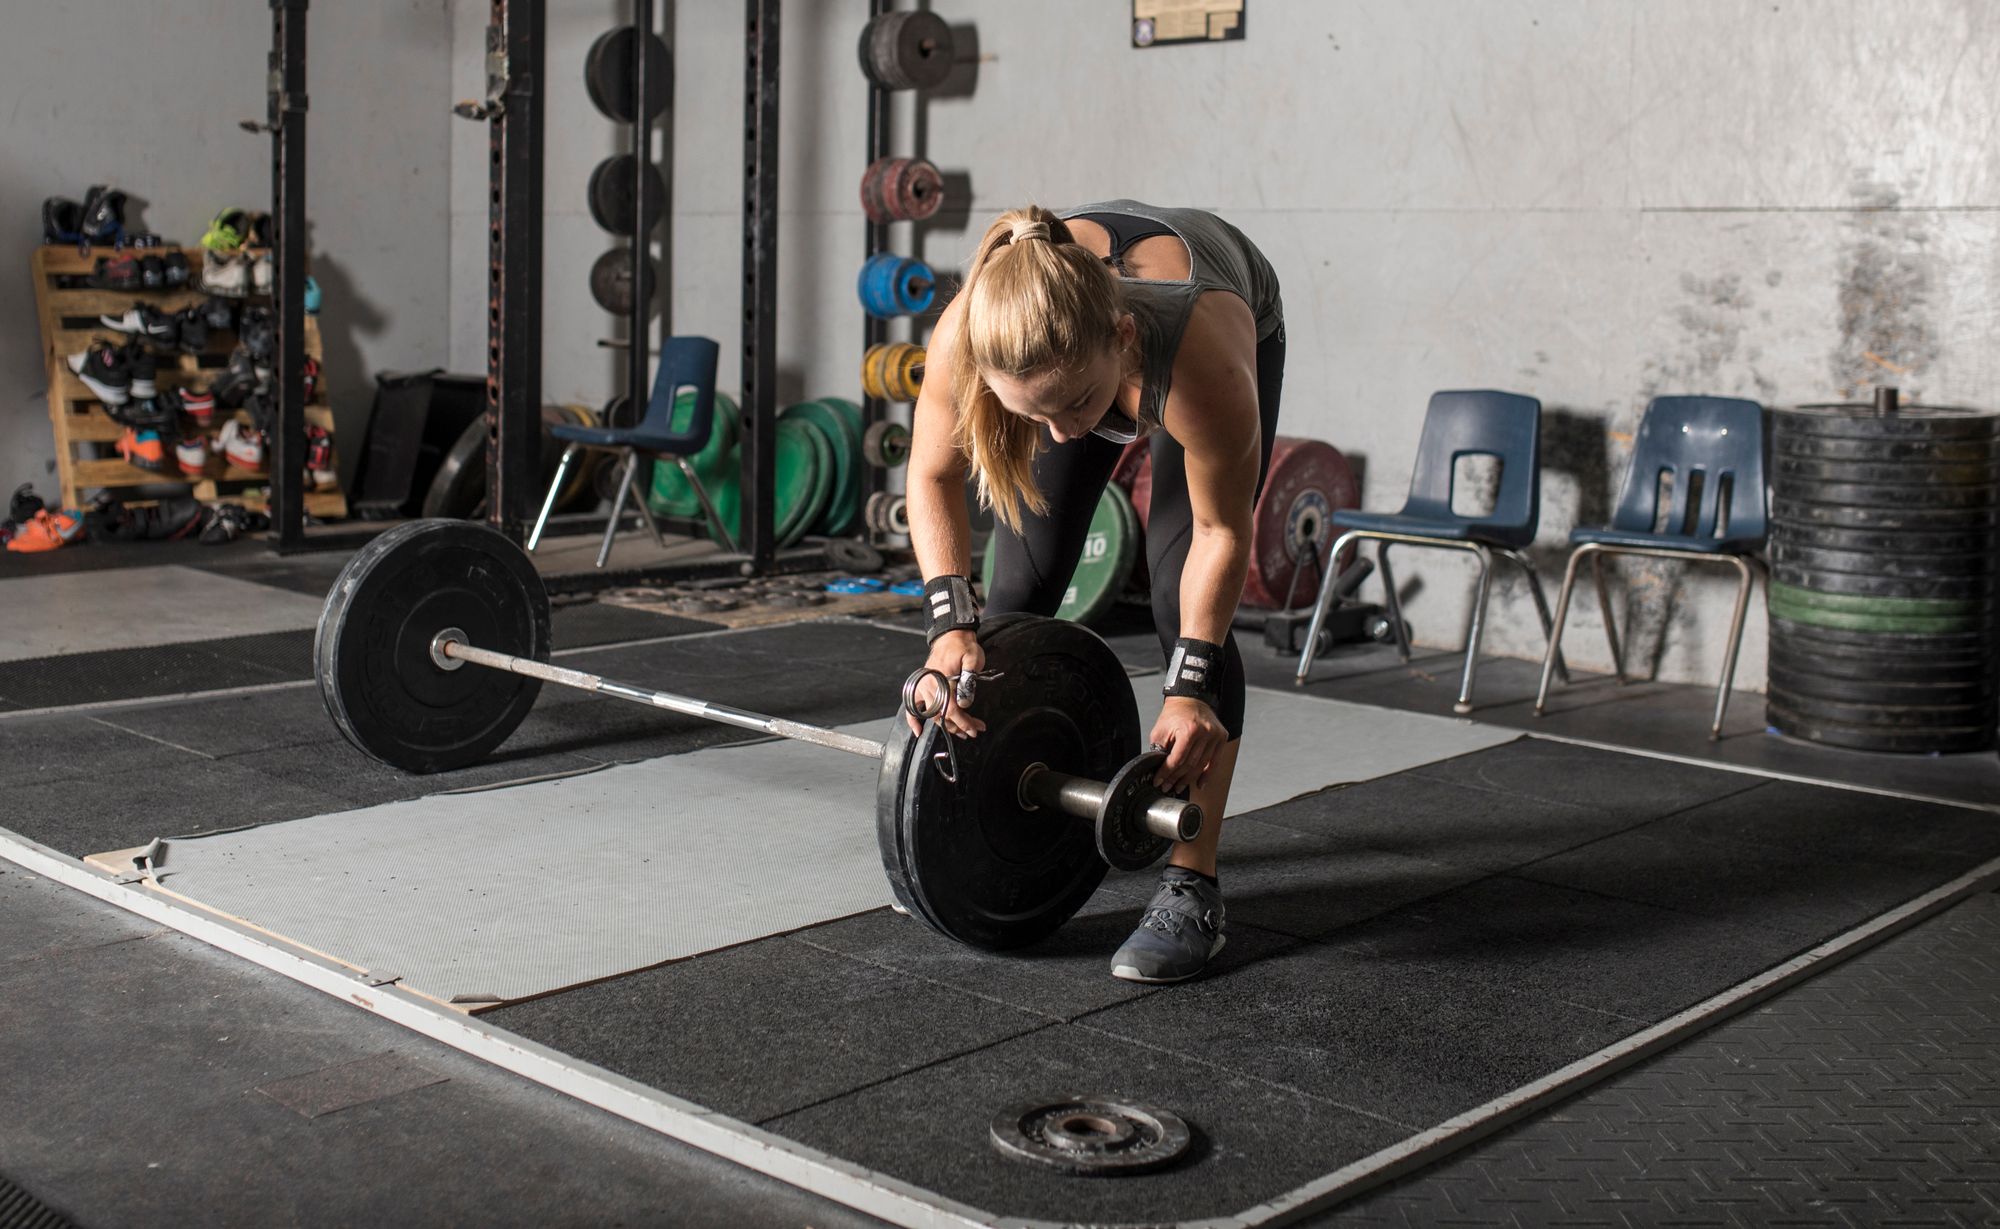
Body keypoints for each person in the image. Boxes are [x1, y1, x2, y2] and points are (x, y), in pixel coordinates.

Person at [904, 199, 1286, 983]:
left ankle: (1192, 886)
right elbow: (932, 473)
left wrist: (1189, 686)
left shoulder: (1199, 354)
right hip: (1073, 340)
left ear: (1119, 340)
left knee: (1179, 598)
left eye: (1077, 406)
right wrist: (949, 625)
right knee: (1016, 593)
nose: (1062, 435)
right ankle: (998, 811)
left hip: (1221, 303)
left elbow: (1223, 534)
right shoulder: (972, 333)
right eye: (1031, 412)